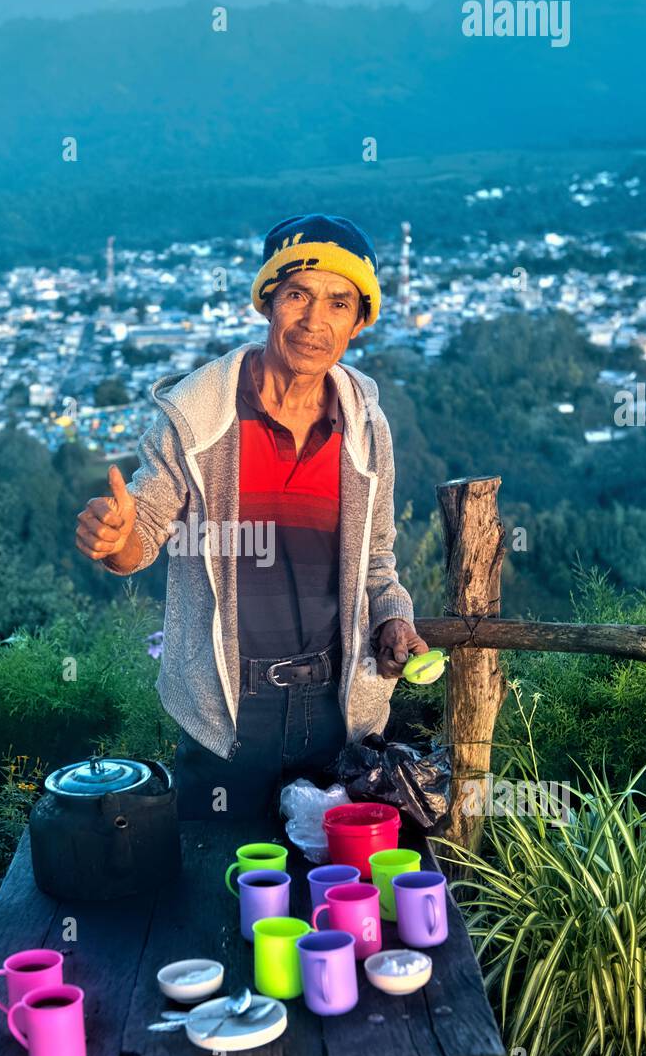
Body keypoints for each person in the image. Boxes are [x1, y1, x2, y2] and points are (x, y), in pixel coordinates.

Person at [75, 213, 428, 823]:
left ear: (358, 321)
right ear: (269, 303)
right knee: (219, 893)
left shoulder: (367, 429)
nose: (315, 322)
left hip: (337, 707)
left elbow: (377, 559)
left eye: (339, 304)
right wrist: (116, 540)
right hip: (228, 713)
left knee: (332, 889)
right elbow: (147, 531)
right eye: (298, 296)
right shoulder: (198, 418)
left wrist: (393, 618)